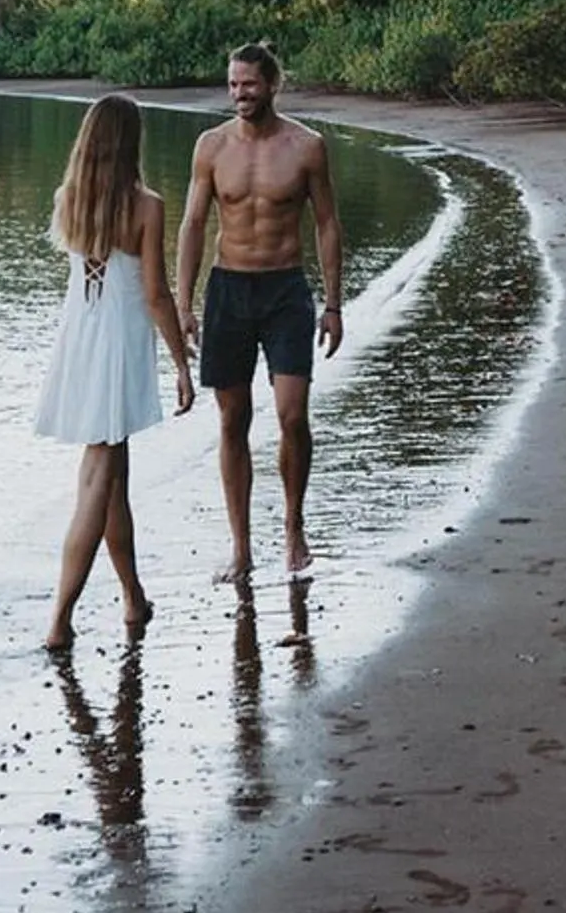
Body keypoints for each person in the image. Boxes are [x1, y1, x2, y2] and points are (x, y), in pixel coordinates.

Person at [176, 42, 344, 584]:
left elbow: (326, 224)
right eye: (232, 85)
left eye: (248, 84)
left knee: (292, 415)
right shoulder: (211, 147)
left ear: (273, 84)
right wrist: (184, 303)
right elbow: (193, 225)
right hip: (228, 289)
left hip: (286, 292)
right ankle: (241, 547)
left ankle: (294, 523)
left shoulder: (307, 146)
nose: (239, 94)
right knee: (233, 420)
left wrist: (334, 303)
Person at [32, 92, 194, 652]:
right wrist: (180, 361)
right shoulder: (145, 205)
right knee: (98, 481)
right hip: (118, 345)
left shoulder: (68, 198)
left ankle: (133, 597)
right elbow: (154, 294)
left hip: (78, 341)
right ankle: (59, 619)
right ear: (131, 142)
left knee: (114, 476)